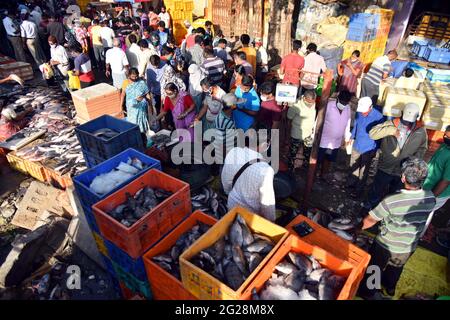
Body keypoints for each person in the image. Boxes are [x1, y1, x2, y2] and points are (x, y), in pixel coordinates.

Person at [357, 158, 436, 300]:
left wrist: (357, 229)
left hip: (386, 244)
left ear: (403, 177)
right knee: (396, 267)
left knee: (375, 267)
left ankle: (367, 292)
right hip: (409, 246)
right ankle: (390, 287)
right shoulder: (430, 198)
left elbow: (371, 220)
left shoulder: (392, 200)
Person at [362, 102, 428, 214]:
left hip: (402, 171)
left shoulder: (421, 131)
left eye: (409, 121)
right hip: (385, 167)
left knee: (394, 194)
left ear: (417, 117)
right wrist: (391, 131)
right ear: (402, 114)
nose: (406, 123)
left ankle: (387, 214)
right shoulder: (391, 124)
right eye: (405, 119)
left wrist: (412, 163)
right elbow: (372, 134)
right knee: (376, 190)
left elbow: (422, 148)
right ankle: (367, 210)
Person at [222, 129, 275, 221]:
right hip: (251, 216)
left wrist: (230, 193)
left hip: (231, 206)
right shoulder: (265, 170)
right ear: (263, 145)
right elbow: (267, 204)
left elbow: (225, 180)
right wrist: (271, 221)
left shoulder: (233, 152)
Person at [346, 97, 385, 197]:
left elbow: (380, 136)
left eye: (365, 111)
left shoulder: (379, 117)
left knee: (364, 171)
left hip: (368, 148)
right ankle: (351, 184)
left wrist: (375, 149)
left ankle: (358, 190)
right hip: (357, 144)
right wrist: (352, 136)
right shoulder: (359, 112)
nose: (363, 113)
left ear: (371, 107)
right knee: (353, 165)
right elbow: (356, 124)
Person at [421, 125, 450, 236]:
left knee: (424, 212)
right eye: (445, 134)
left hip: (438, 192)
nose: (444, 137)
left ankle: (418, 235)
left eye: (448, 136)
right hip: (428, 185)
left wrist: (432, 196)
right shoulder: (444, 146)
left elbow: (446, 181)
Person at [318, 90, 352, 181]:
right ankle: (314, 175)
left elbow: (348, 124)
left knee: (328, 159)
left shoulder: (348, 108)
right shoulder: (329, 105)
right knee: (318, 158)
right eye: (342, 102)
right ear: (338, 99)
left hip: (336, 142)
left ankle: (323, 175)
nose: (343, 105)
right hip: (324, 140)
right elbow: (319, 120)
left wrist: (346, 138)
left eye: (345, 103)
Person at [287, 89, 317, 171]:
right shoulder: (296, 105)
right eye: (309, 102)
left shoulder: (314, 103)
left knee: (308, 153)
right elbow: (289, 119)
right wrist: (288, 134)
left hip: (309, 134)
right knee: (293, 153)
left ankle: (304, 167)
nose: (311, 104)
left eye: (313, 102)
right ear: (304, 98)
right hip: (296, 133)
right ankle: (290, 168)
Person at [121, 68, 153, 139]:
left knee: (143, 123)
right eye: (133, 76)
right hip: (131, 108)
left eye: (136, 76)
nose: (135, 78)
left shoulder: (142, 82)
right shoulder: (125, 83)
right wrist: (121, 106)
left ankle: (144, 137)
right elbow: (123, 94)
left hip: (142, 108)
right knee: (133, 123)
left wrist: (150, 106)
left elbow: (147, 94)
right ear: (129, 75)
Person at [213, 93, 241, 164]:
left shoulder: (230, 113)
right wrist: (228, 157)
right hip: (226, 153)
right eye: (236, 103)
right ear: (232, 106)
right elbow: (220, 144)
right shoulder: (221, 122)